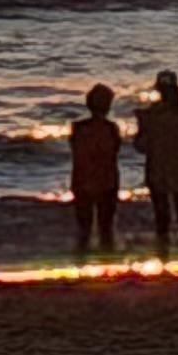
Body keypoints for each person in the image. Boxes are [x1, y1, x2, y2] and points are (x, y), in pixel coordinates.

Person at [136, 69, 178, 261]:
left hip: (158, 171)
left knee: (162, 219)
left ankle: (163, 260)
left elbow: (141, 146)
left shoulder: (151, 116)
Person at [66, 81, 123, 260]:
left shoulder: (78, 128)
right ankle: (107, 262)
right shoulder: (111, 128)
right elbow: (115, 150)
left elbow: (75, 149)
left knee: (84, 228)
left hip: (83, 180)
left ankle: (81, 262)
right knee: (105, 227)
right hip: (106, 180)